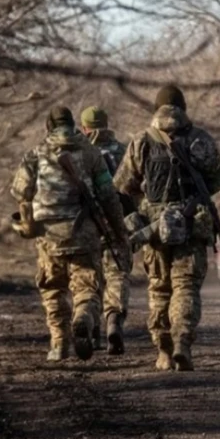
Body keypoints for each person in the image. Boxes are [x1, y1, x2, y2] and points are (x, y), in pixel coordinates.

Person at [114, 86, 220, 371]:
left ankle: (163, 351)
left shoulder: (141, 141)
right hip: (191, 225)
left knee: (160, 290)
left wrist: (146, 206)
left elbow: (123, 186)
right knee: (186, 288)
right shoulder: (201, 140)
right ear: (184, 108)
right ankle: (182, 344)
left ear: (156, 108)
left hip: (154, 230)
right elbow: (217, 181)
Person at [11, 107, 130, 361]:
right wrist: (118, 231)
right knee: (87, 286)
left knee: (52, 287)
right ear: (73, 124)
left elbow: (21, 192)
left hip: (49, 235)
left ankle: (60, 344)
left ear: (48, 126)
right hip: (84, 233)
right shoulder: (91, 152)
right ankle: (84, 318)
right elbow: (109, 196)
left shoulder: (36, 154)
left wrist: (28, 224)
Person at [79, 106, 135, 355]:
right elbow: (135, 189)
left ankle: (88, 324)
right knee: (117, 274)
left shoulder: (80, 153)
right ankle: (113, 319)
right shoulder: (124, 151)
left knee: (88, 277)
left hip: (86, 225)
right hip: (118, 222)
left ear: (84, 128)